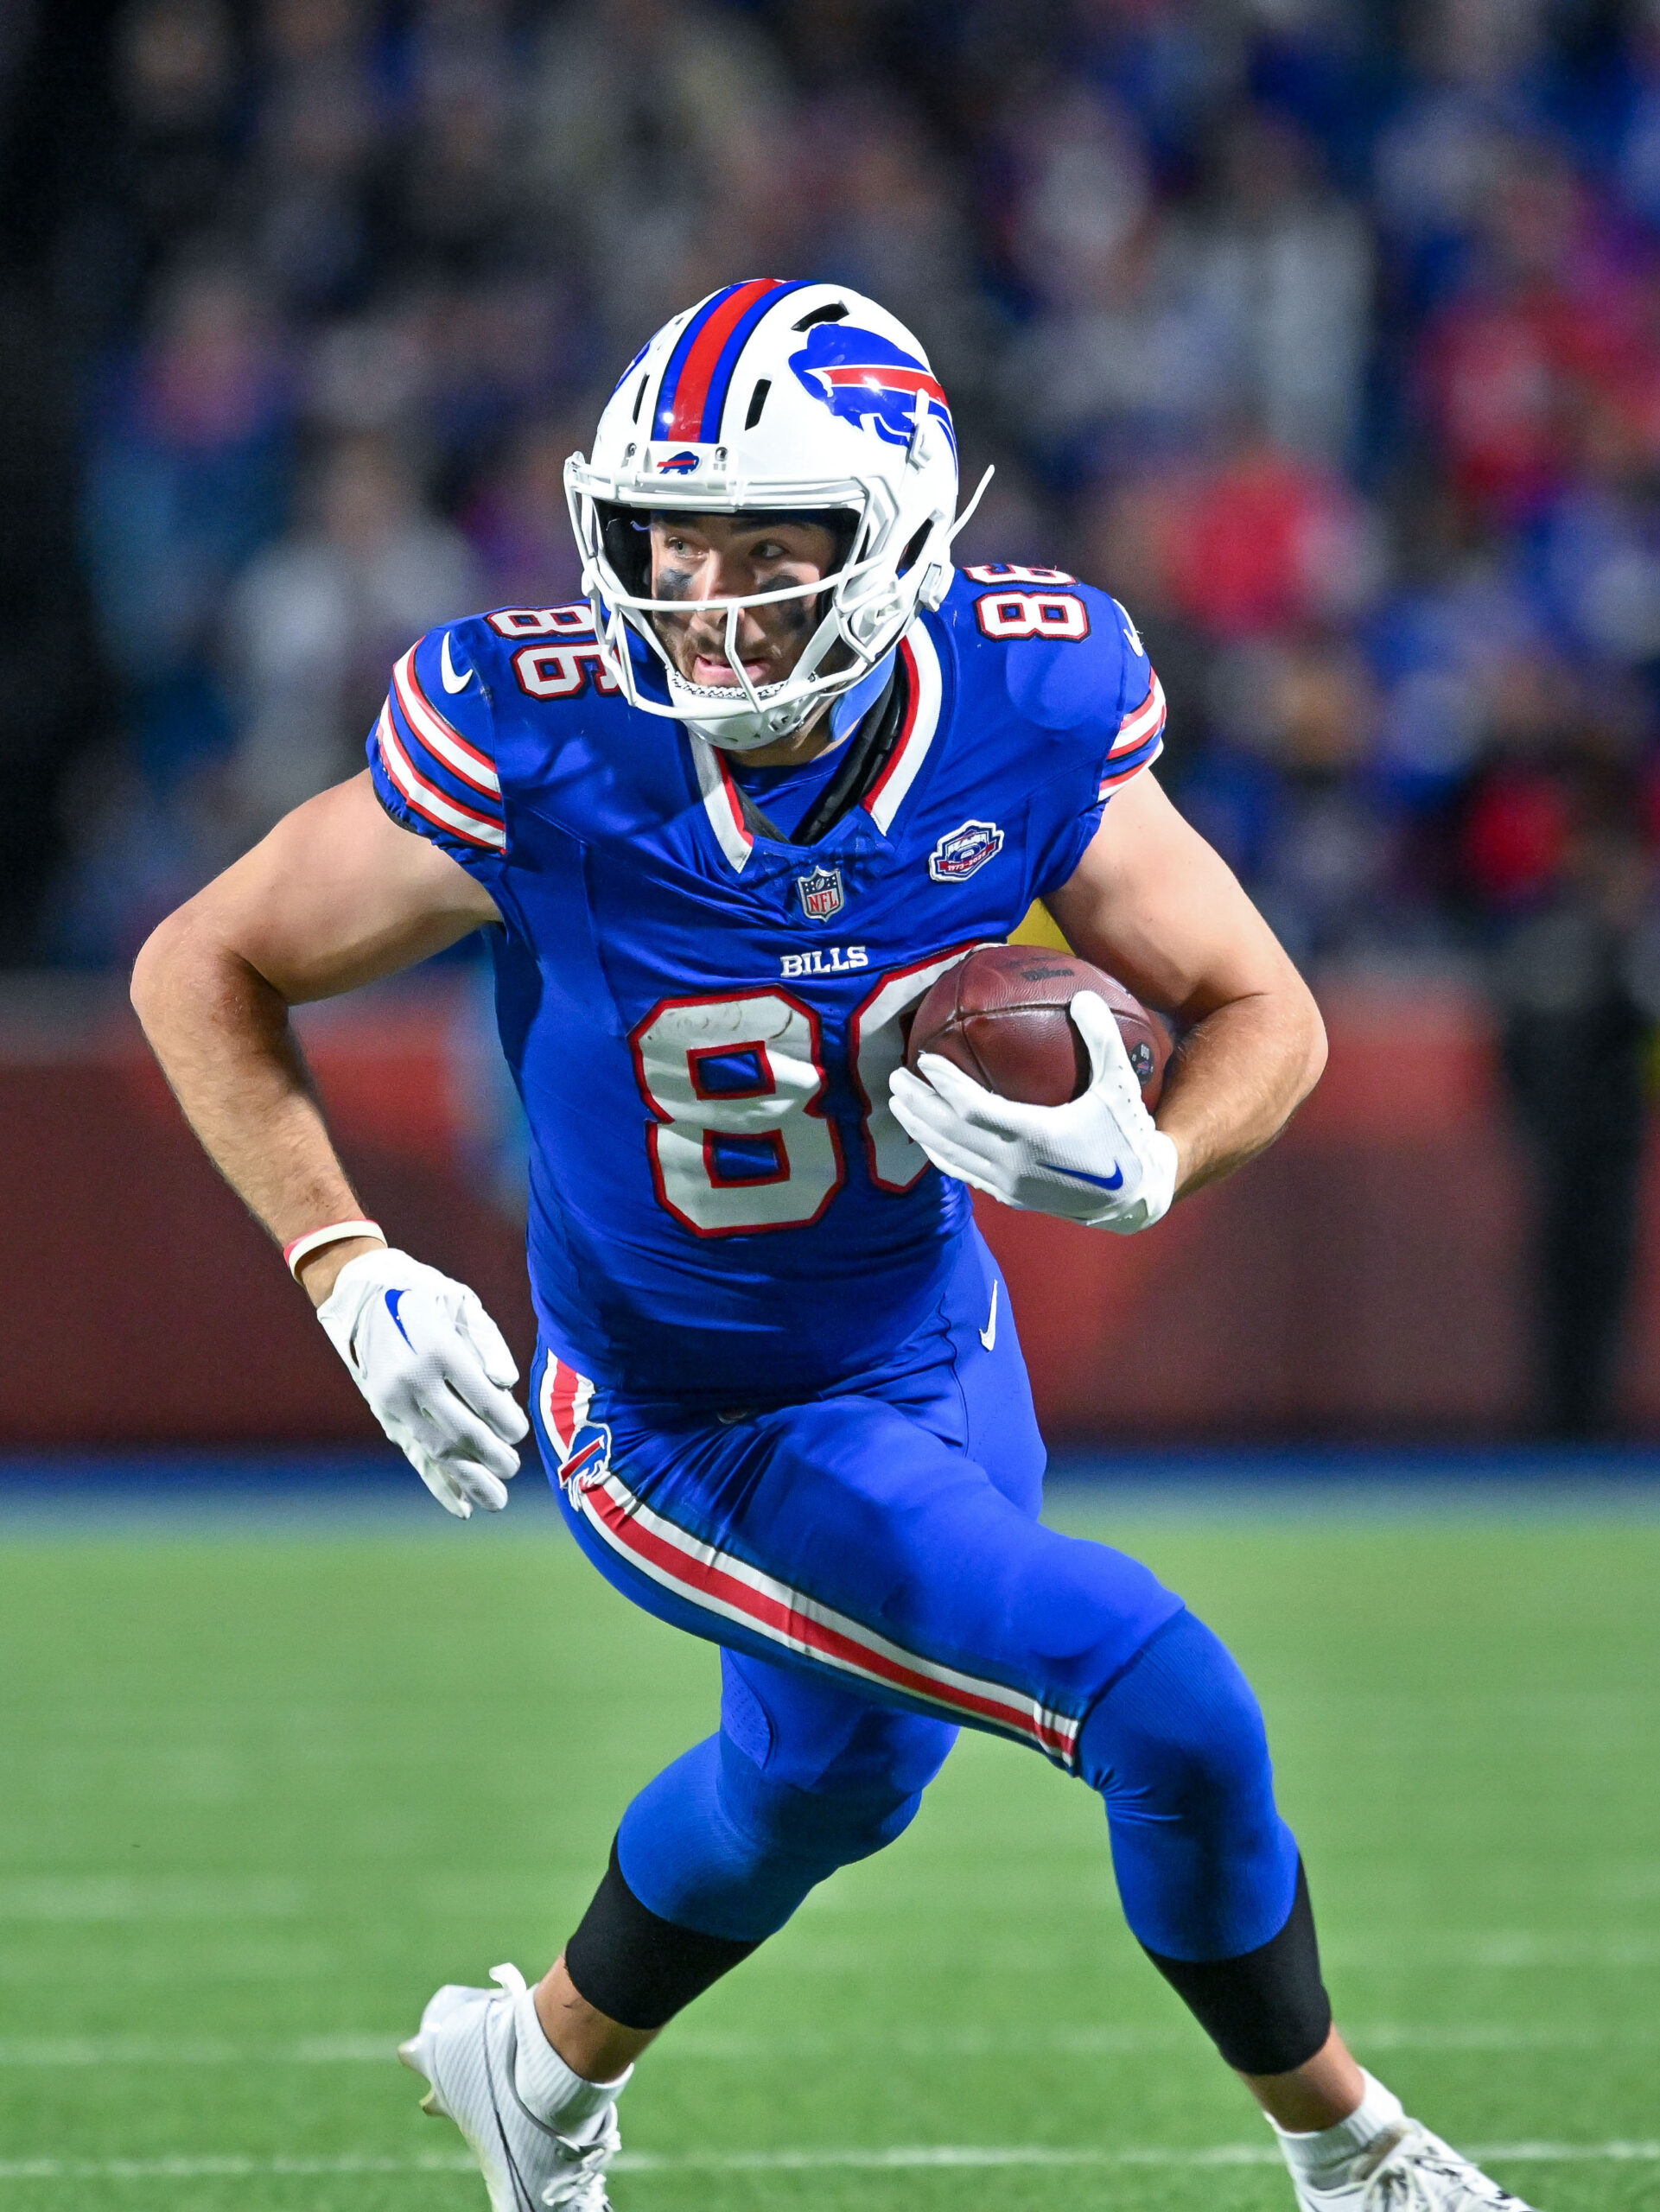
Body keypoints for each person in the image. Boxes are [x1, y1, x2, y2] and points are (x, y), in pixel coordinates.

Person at [131, 280, 1534, 2212]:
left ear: (895, 542)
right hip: (686, 1421)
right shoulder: (542, 735)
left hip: (939, 1341)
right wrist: (342, 1260)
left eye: (763, 550)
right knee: (1167, 1699)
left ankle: (533, 2070)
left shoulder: (1027, 704)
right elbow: (202, 957)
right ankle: (1353, 2153)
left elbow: (1260, 1009)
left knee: (827, 1780)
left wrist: (1153, 1163)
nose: (700, 601)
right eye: (667, 543)